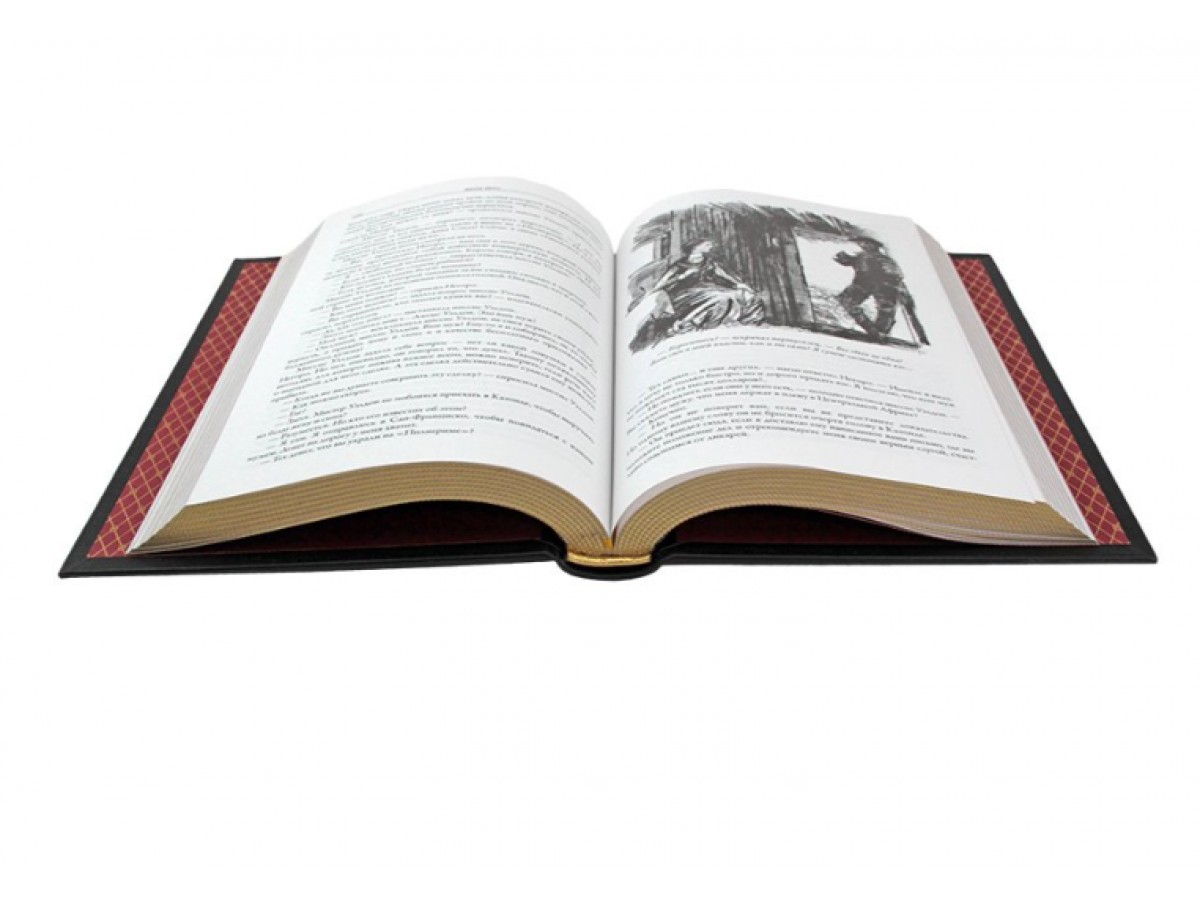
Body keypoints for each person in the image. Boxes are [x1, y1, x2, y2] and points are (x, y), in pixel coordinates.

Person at [628, 240, 764, 351]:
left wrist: (739, 284)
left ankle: (744, 324)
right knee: (721, 297)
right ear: (695, 246)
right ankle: (688, 324)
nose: (710, 246)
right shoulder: (680, 265)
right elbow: (663, 282)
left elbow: (724, 275)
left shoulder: (709, 262)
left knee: (740, 295)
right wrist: (681, 277)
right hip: (685, 295)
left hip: (706, 290)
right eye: (706, 244)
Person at [834, 240, 929, 345]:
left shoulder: (865, 257)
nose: (861, 245)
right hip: (894, 288)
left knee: (847, 301)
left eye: (864, 243)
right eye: (861, 243)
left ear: (872, 245)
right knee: (886, 314)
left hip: (879, 285)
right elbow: (897, 277)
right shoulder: (886, 259)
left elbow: (863, 276)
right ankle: (879, 333)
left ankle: (876, 332)